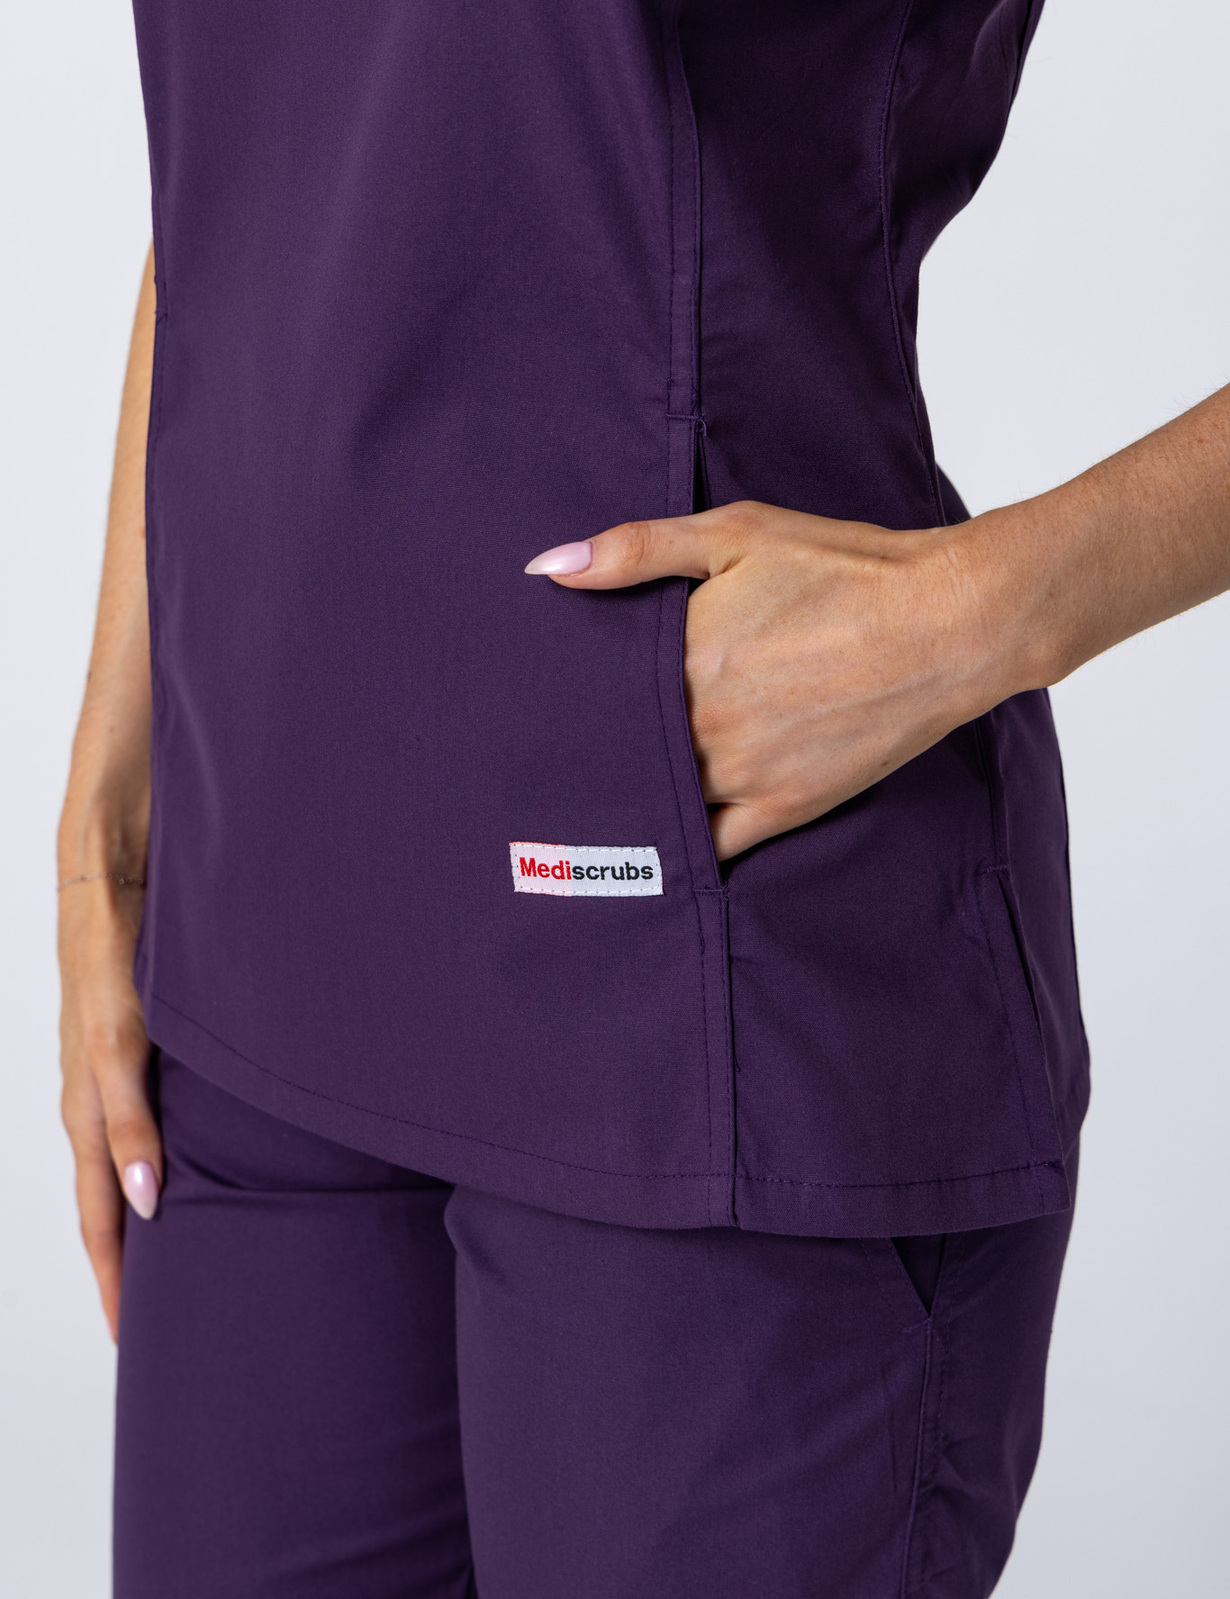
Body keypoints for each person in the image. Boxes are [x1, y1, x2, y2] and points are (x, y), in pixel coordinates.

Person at [56, 3, 1228, 1595]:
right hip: (259, 943)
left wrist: (984, 613)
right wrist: (110, 808)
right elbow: (260, 177)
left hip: (699, 977)